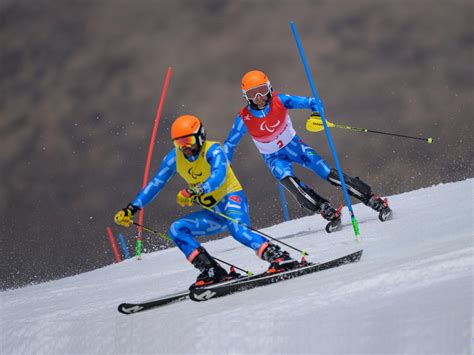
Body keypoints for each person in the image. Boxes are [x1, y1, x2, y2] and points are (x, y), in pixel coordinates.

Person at [114, 114, 299, 287]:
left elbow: (218, 176)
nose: (184, 147)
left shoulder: (214, 150)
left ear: (200, 136)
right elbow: (155, 184)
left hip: (231, 201)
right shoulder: (174, 159)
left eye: (188, 141)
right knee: (177, 230)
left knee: (238, 230)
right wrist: (132, 209)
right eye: (179, 143)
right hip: (214, 213)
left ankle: (279, 257)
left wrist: (194, 190)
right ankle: (212, 270)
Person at [224, 70, 391, 232]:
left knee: (328, 173)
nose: (259, 98)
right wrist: (224, 165)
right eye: (253, 94)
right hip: (274, 158)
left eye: (262, 91)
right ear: (246, 96)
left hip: (296, 148)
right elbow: (229, 145)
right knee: (293, 186)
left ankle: (371, 199)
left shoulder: (280, 101)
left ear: (269, 88)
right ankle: (325, 210)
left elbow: (314, 102)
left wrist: (317, 114)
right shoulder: (243, 118)